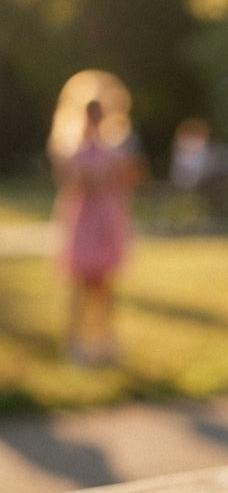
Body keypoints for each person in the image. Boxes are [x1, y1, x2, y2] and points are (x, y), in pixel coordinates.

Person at [48, 98, 145, 365]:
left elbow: (129, 181)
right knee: (81, 284)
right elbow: (69, 182)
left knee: (105, 286)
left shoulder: (115, 150)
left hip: (106, 219)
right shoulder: (72, 149)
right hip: (84, 220)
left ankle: (104, 341)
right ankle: (75, 341)